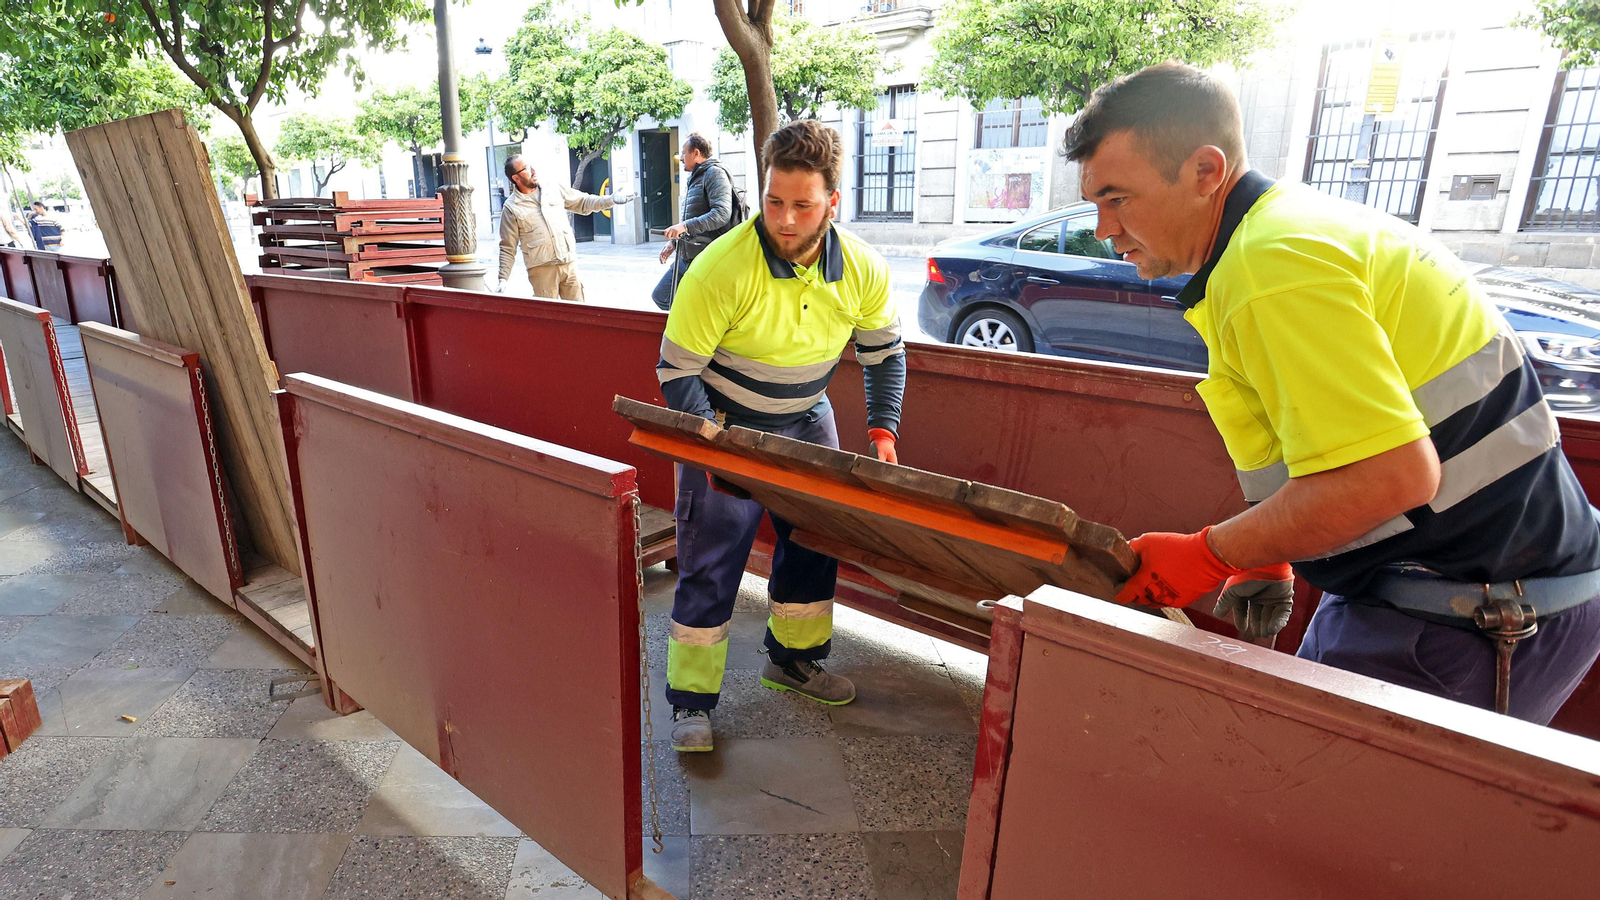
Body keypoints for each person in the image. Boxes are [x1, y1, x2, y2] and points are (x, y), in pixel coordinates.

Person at [1069, 63, 1600, 725]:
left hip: (1468, 618)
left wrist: (1210, 554)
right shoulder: (1269, 241)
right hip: (1438, 594)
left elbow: (1388, 476)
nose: (1102, 226)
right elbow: (1337, 445)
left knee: (1343, 820)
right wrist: (1269, 555)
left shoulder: (1273, 266)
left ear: (1206, 171)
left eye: (1117, 197)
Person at [656, 119, 906, 752]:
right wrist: (710, 442)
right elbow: (676, 372)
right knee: (711, 559)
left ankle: (792, 662)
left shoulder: (864, 270)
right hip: (724, 421)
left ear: (832, 203)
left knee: (816, 543)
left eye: (803, 204)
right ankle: (691, 703)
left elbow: (884, 355)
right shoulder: (718, 268)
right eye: (774, 201)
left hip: (807, 419)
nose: (786, 219)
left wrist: (882, 430)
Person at [496, 155, 635, 301]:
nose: (533, 170)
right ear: (516, 178)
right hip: (541, 271)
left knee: (579, 314)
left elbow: (584, 201)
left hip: (568, 264)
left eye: (531, 165)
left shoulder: (552, 188)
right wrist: (503, 279)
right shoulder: (511, 208)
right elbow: (507, 247)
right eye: (526, 169)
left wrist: (610, 200)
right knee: (549, 318)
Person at [652, 132, 735, 311]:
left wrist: (684, 226)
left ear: (696, 153)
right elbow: (694, 214)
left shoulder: (714, 173)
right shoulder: (696, 177)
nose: (681, 158)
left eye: (683, 153)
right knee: (661, 296)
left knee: (692, 306)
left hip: (706, 258)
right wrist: (674, 242)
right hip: (688, 255)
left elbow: (722, 213)